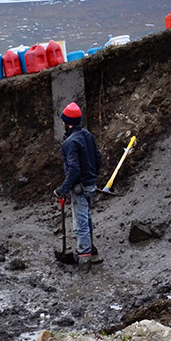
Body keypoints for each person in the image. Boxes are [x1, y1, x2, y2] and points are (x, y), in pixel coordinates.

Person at [55, 102, 103, 264]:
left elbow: (73, 170)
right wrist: (91, 176)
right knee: (87, 216)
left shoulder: (70, 143)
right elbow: (98, 158)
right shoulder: (87, 135)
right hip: (90, 184)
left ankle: (84, 256)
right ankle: (91, 248)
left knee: (80, 222)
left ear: (66, 123)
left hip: (80, 188)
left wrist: (62, 189)